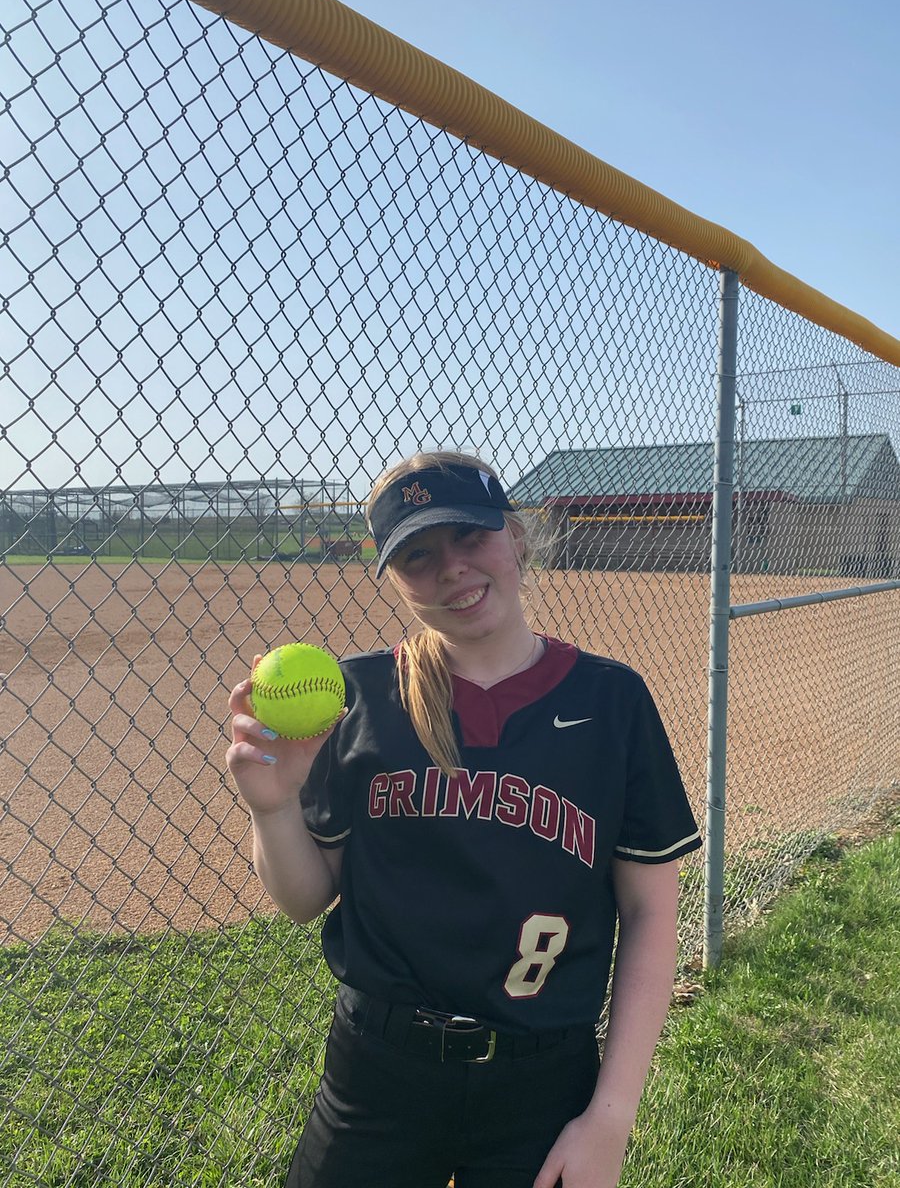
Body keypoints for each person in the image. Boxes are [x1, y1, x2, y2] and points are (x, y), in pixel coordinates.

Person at [226, 451, 702, 1188]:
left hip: (543, 1075)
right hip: (378, 1070)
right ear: (395, 577)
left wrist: (610, 1116)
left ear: (518, 538)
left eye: (470, 536)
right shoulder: (361, 697)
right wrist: (274, 806)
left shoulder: (613, 701)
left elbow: (651, 912)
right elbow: (304, 898)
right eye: (417, 555)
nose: (451, 567)